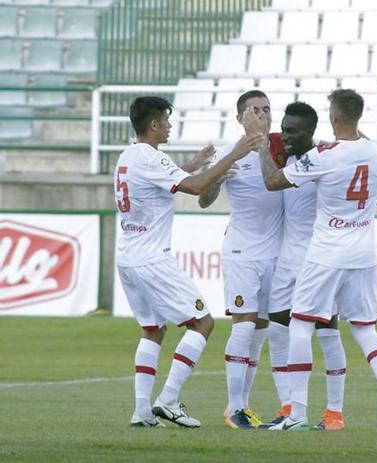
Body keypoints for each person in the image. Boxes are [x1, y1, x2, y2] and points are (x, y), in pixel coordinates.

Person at [256, 89, 377, 432]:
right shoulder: (376, 153)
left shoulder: (324, 157)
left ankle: (296, 414)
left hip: (327, 253)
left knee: (299, 325)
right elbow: (376, 169)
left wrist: (259, 146)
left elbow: (272, 182)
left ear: (333, 119)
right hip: (363, 255)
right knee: (364, 328)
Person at [115, 96, 261, 428]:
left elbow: (169, 180)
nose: (169, 125)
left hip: (128, 256)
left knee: (153, 330)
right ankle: (167, 400)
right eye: (166, 120)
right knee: (202, 323)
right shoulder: (152, 158)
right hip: (152, 258)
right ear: (153, 124)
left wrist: (193, 164)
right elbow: (194, 189)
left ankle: (141, 411)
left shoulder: (128, 156)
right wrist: (234, 154)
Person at [197, 90, 283, 429]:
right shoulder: (226, 153)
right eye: (255, 110)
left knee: (261, 330)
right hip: (242, 251)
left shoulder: (280, 148)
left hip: (276, 252)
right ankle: (233, 407)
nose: (263, 115)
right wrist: (222, 168)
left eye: (267, 109)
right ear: (240, 118)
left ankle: (244, 405)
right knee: (244, 324)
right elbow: (204, 199)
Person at [261, 101, 348, 432]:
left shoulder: (327, 159)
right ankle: (288, 408)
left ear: (311, 132)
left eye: (292, 130)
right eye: (283, 129)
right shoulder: (289, 161)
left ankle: (333, 413)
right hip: (288, 259)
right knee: (278, 330)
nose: (284, 135)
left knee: (327, 332)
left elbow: (371, 184)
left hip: (320, 259)